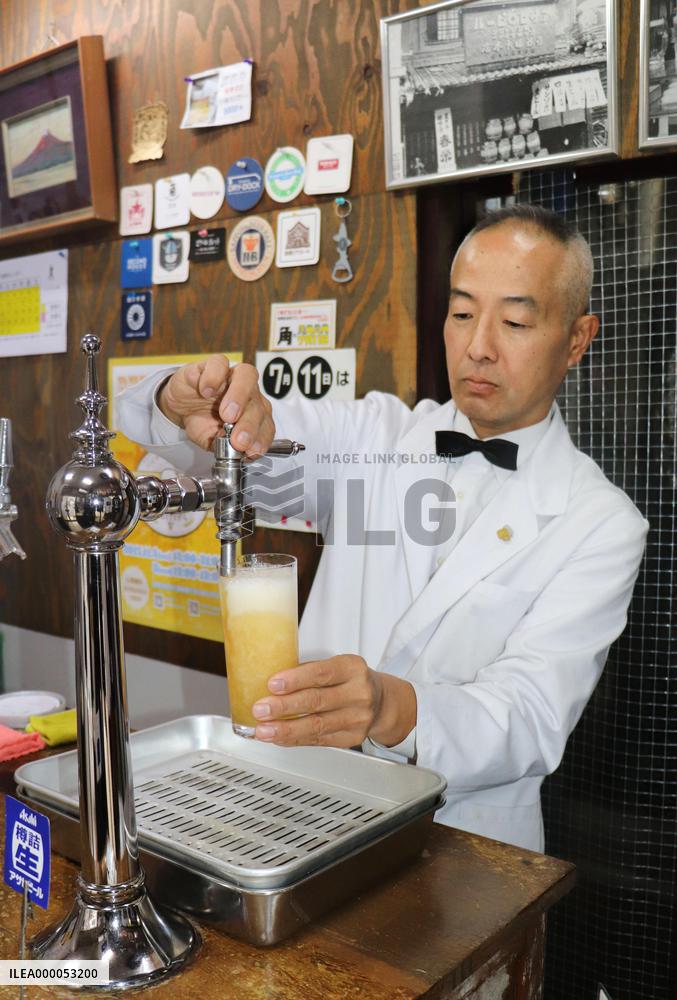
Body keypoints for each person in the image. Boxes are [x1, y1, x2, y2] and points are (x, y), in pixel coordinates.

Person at [117, 206, 648, 852]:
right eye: (460, 314)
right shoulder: (376, 435)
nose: (479, 345)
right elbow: (241, 455)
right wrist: (183, 404)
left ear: (575, 338)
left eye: (513, 321)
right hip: (300, 815)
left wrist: (391, 707)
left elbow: (530, 716)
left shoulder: (600, 522)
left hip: (466, 848)